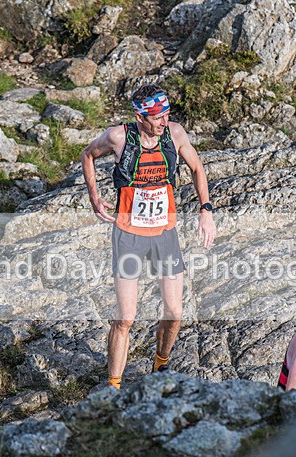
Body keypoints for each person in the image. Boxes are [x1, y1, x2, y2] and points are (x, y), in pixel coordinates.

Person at [81, 85, 216, 389]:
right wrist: (94, 197)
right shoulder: (118, 137)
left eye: (167, 114)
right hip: (129, 235)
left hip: (165, 234)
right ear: (140, 116)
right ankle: (113, 386)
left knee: (175, 311)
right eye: (157, 118)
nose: (164, 122)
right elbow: (87, 154)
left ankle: (160, 364)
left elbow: (197, 168)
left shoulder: (175, 133)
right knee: (126, 318)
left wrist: (206, 210)